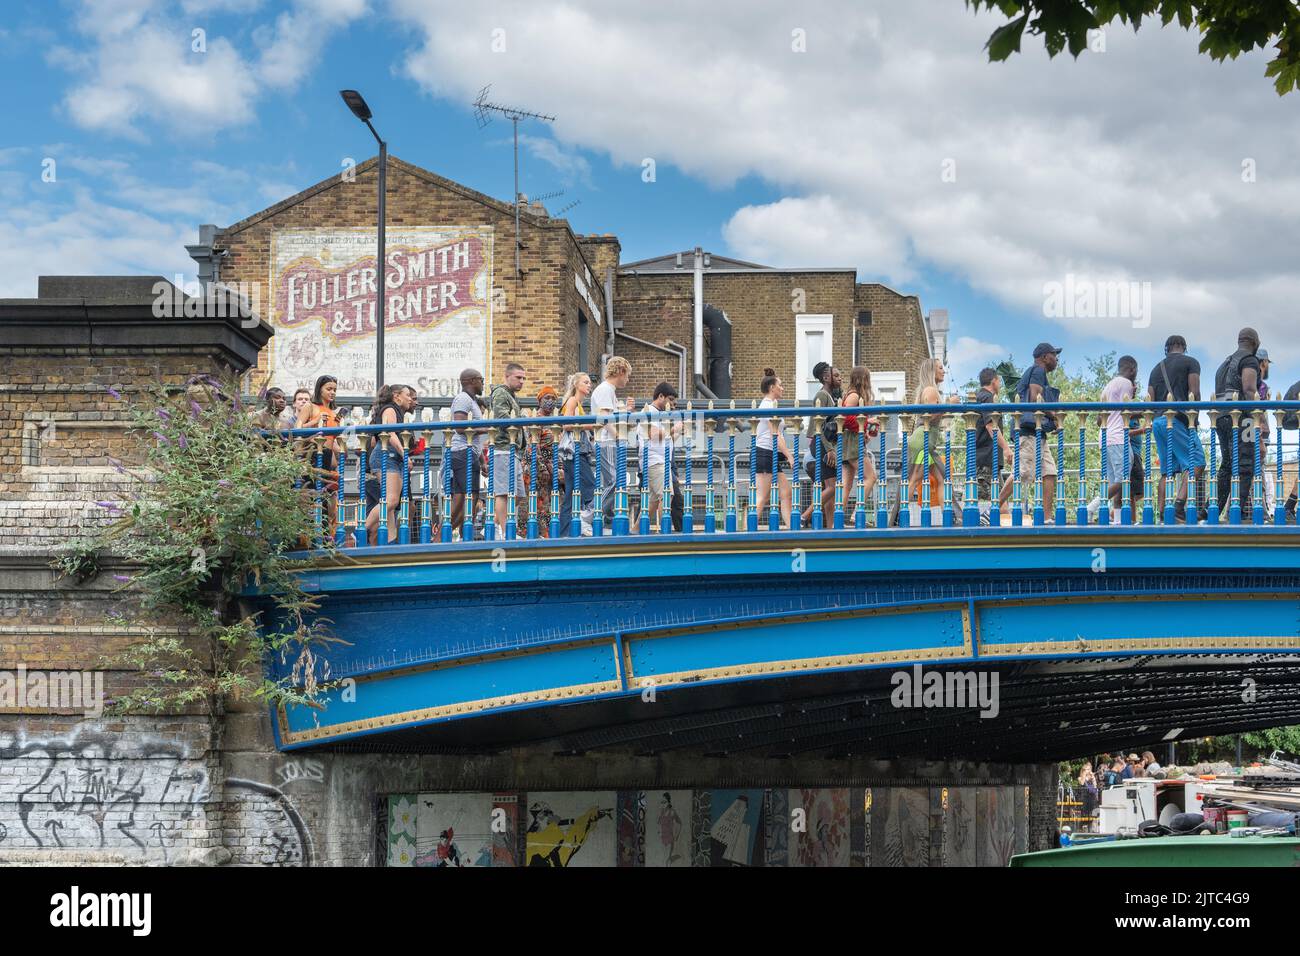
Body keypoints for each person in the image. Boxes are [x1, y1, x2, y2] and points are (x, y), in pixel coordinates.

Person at [1147, 335, 1207, 523]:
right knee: (1196, 462)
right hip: (1178, 419)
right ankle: (1179, 508)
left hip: (1158, 422)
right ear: (1184, 347)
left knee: (1167, 471)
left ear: (1167, 349)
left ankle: (1164, 514)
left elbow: (1149, 398)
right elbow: (1194, 393)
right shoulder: (1191, 362)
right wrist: (1194, 419)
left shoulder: (1156, 369)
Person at [1213, 327, 1266, 516]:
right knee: (1246, 464)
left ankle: (1212, 510)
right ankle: (1235, 511)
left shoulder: (1224, 364)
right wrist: (1259, 422)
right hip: (1242, 420)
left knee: (1227, 464)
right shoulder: (1250, 360)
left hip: (1220, 418)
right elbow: (1250, 390)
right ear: (1255, 342)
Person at [363, 383, 417, 542]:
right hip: (387, 456)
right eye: (407, 395)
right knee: (391, 500)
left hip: (392, 458)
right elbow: (389, 433)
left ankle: (391, 542)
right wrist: (404, 454)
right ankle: (361, 531)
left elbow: (373, 441)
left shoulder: (395, 411)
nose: (410, 398)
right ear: (396, 396)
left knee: (391, 506)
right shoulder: (390, 409)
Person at [1015, 344, 1061, 519]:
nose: (1056, 359)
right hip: (1029, 431)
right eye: (1054, 355)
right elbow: (1035, 399)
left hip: (1038, 432)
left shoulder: (1037, 372)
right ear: (1044, 357)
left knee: (1049, 472)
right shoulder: (1038, 371)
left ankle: (1046, 517)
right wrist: (1055, 417)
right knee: (1022, 473)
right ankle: (993, 509)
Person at [591, 357, 635, 530]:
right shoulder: (605, 390)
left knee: (614, 481)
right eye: (628, 376)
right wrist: (618, 436)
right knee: (615, 481)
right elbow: (604, 418)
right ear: (621, 372)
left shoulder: (609, 391)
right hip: (606, 442)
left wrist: (627, 411)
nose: (628, 380)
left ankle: (606, 517)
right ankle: (593, 513)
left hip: (609, 441)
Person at [907, 358, 953, 512]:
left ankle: (948, 514)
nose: (943, 370)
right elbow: (930, 415)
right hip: (923, 441)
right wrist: (949, 405)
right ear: (932, 371)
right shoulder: (931, 390)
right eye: (940, 368)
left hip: (925, 441)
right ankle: (900, 515)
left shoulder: (927, 390)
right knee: (914, 480)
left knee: (941, 479)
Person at [297, 375, 342, 533]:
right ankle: (307, 533)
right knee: (310, 491)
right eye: (329, 389)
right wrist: (316, 423)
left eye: (335, 390)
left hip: (328, 454)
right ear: (319, 389)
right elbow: (298, 429)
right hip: (313, 452)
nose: (332, 392)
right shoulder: (310, 406)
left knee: (324, 494)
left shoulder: (332, 411)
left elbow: (332, 438)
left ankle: (322, 533)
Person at [447, 368, 487, 539]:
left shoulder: (472, 401)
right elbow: (460, 427)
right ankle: (441, 537)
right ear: (471, 381)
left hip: (468, 453)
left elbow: (473, 439)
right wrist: (486, 429)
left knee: (466, 499)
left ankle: (464, 537)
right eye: (481, 379)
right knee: (466, 498)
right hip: (463, 453)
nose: (482, 383)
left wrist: (482, 461)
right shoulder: (463, 399)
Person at [801, 362, 841, 528]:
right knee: (832, 488)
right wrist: (830, 450)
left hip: (825, 446)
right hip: (821, 446)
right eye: (836, 375)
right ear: (826, 377)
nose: (840, 378)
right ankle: (804, 516)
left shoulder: (831, 396)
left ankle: (830, 527)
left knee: (829, 492)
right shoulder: (821, 396)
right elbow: (819, 427)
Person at [489, 363, 528, 536]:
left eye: (523, 378)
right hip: (503, 448)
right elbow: (502, 418)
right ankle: (505, 532)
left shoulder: (511, 396)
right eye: (518, 377)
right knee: (503, 493)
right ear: (506, 376)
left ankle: (495, 525)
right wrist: (522, 418)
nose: (522, 381)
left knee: (519, 493)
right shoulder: (500, 393)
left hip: (514, 451)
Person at [754, 370, 794, 528]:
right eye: (780, 385)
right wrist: (789, 456)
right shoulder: (767, 405)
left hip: (770, 454)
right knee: (762, 496)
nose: (782, 388)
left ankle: (792, 529)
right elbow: (775, 434)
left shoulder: (771, 405)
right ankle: (748, 531)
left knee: (786, 493)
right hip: (764, 453)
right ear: (772, 387)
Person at [559, 371, 597, 536]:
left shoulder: (578, 404)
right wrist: (590, 425)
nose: (589, 385)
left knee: (570, 495)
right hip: (575, 453)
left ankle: (563, 532)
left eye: (589, 383)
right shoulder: (573, 400)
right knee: (591, 489)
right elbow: (567, 425)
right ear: (576, 385)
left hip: (574, 454)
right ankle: (584, 521)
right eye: (585, 382)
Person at [974, 368, 1014, 523]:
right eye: (999, 381)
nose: (1000, 384)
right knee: (999, 504)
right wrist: (1006, 448)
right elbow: (991, 426)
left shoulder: (978, 397)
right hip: (988, 457)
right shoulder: (988, 398)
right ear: (994, 380)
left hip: (982, 456)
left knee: (1001, 504)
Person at [1100, 356, 1139, 512]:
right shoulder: (1126, 383)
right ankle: (1091, 506)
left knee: (1115, 482)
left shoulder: (1109, 386)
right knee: (1123, 479)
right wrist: (1145, 412)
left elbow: (1099, 419)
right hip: (1118, 438)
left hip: (1104, 437)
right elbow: (1126, 413)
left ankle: (1117, 518)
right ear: (1133, 369)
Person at [840, 366, 879, 522]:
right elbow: (844, 418)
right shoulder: (854, 396)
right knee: (871, 477)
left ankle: (837, 517)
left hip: (850, 440)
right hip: (852, 442)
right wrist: (866, 422)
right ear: (863, 379)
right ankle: (857, 512)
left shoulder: (853, 395)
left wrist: (865, 430)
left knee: (846, 485)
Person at [639, 382, 680, 530]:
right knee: (666, 495)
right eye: (669, 399)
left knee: (653, 502)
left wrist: (676, 432)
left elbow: (666, 441)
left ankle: (635, 531)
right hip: (655, 462)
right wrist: (674, 428)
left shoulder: (661, 415)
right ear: (660, 396)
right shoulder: (649, 411)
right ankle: (665, 531)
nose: (672, 404)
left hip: (660, 461)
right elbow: (652, 434)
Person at [534, 386, 561, 537]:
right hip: (540, 472)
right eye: (547, 398)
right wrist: (544, 466)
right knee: (541, 507)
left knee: (554, 507)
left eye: (553, 399)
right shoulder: (537, 419)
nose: (550, 402)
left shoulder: (555, 421)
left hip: (555, 473)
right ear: (540, 401)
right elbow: (534, 445)